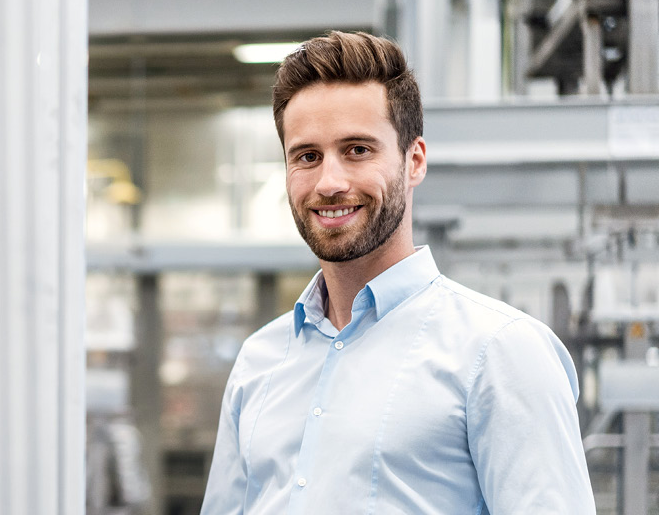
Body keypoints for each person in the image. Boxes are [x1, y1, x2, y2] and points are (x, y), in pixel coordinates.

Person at [199, 31, 594, 514]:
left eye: (358, 150)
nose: (330, 182)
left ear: (414, 161)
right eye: (307, 156)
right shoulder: (259, 362)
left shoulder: (500, 354)